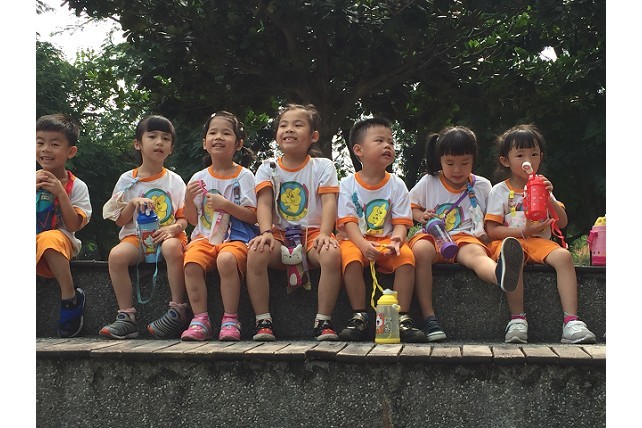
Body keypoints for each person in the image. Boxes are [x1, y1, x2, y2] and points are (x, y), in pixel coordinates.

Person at [408, 126, 524, 342]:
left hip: (465, 237)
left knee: (477, 256)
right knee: (420, 251)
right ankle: (429, 318)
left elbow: (490, 217)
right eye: (450, 163)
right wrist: (421, 215)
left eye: (464, 163)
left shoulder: (482, 185)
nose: (457, 170)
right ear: (440, 159)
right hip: (433, 236)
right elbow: (411, 207)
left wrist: (485, 235)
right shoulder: (429, 181)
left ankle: (499, 274)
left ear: (474, 159)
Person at [485, 124, 596, 344]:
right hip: (510, 241)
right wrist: (523, 231)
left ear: (541, 157)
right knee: (512, 255)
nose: (528, 159)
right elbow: (492, 230)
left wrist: (549, 197)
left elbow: (562, 222)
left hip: (538, 242)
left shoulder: (542, 185)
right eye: (520, 155)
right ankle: (517, 320)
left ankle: (571, 322)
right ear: (505, 161)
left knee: (563, 256)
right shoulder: (500, 191)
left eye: (534, 154)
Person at [246, 103, 342, 341]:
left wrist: (325, 234)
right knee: (256, 252)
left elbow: (329, 202)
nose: (289, 129)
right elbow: (264, 204)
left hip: (313, 235)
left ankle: (323, 320)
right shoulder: (267, 168)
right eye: (283, 125)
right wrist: (265, 232)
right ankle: (262, 321)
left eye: (298, 125)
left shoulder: (323, 166)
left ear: (313, 136)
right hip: (279, 236)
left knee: (331, 254)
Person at [99, 115, 190, 339]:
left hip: (168, 237)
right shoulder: (126, 180)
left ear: (171, 148)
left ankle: (178, 310)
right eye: (152, 136)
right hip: (136, 239)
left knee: (171, 247)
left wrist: (172, 230)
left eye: (165, 138)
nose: (159, 142)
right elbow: (120, 221)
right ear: (138, 143)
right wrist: (132, 203)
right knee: (116, 256)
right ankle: (126, 316)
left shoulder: (175, 181)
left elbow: (184, 219)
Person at [337, 117, 426, 343]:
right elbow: (349, 223)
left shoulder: (396, 184)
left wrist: (397, 240)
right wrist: (363, 245)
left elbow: (401, 222)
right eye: (379, 141)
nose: (388, 146)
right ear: (359, 150)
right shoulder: (347, 184)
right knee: (350, 259)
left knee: (406, 258)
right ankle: (360, 316)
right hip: (356, 239)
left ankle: (402, 317)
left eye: (391, 142)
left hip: (387, 239)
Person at [180, 112, 258, 341]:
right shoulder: (198, 177)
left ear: (238, 144)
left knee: (226, 260)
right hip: (204, 238)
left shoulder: (244, 176)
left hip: (236, 239)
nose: (218, 137)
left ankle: (230, 319)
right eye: (213, 133)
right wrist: (188, 199)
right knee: (191, 261)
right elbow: (192, 220)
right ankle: (200, 319)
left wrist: (226, 205)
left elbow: (253, 216)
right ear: (204, 143)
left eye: (226, 133)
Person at [36, 113, 92, 338]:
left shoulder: (77, 186)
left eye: (54, 144)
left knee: (49, 238)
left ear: (71, 152)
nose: (45, 149)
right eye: (40, 142)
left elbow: (74, 224)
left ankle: (70, 299)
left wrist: (60, 192)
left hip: (61, 241)